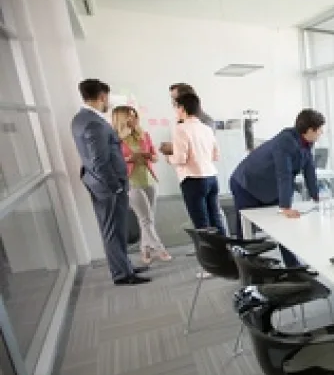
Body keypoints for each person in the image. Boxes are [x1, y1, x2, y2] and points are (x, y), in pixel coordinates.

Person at [71, 79, 149, 285]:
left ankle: (124, 266)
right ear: (102, 96)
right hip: (108, 187)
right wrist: (115, 186)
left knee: (114, 229)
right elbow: (99, 161)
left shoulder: (79, 119)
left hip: (98, 183)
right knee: (114, 230)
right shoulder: (94, 123)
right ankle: (122, 274)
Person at [229, 109, 326, 267]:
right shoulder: (285, 141)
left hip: (269, 185)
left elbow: (309, 168)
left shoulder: (307, 141)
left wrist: (316, 195)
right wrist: (285, 206)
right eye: (320, 129)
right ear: (309, 130)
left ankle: (292, 265)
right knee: (246, 230)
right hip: (247, 183)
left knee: (283, 226)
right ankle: (243, 267)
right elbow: (284, 174)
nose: (322, 133)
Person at [111, 106, 171, 264]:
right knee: (145, 218)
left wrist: (150, 156)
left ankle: (145, 250)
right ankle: (160, 249)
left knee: (147, 218)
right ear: (121, 119)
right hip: (131, 182)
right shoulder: (115, 139)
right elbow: (113, 162)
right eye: (129, 116)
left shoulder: (144, 135)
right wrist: (130, 158)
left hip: (149, 179)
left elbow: (155, 157)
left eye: (135, 115)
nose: (134, 119)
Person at [161, 92, 225, 235]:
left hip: (193, 179)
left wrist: (168, 157)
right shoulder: (207, 128)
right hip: (212, 177)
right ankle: (224, 253)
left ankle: (210, 256)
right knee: (216, 219)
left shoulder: (181, 129)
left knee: (202, 225)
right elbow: (216, 155)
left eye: (176, 107)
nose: (175, 111)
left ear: (182, 108)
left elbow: (180, 159)